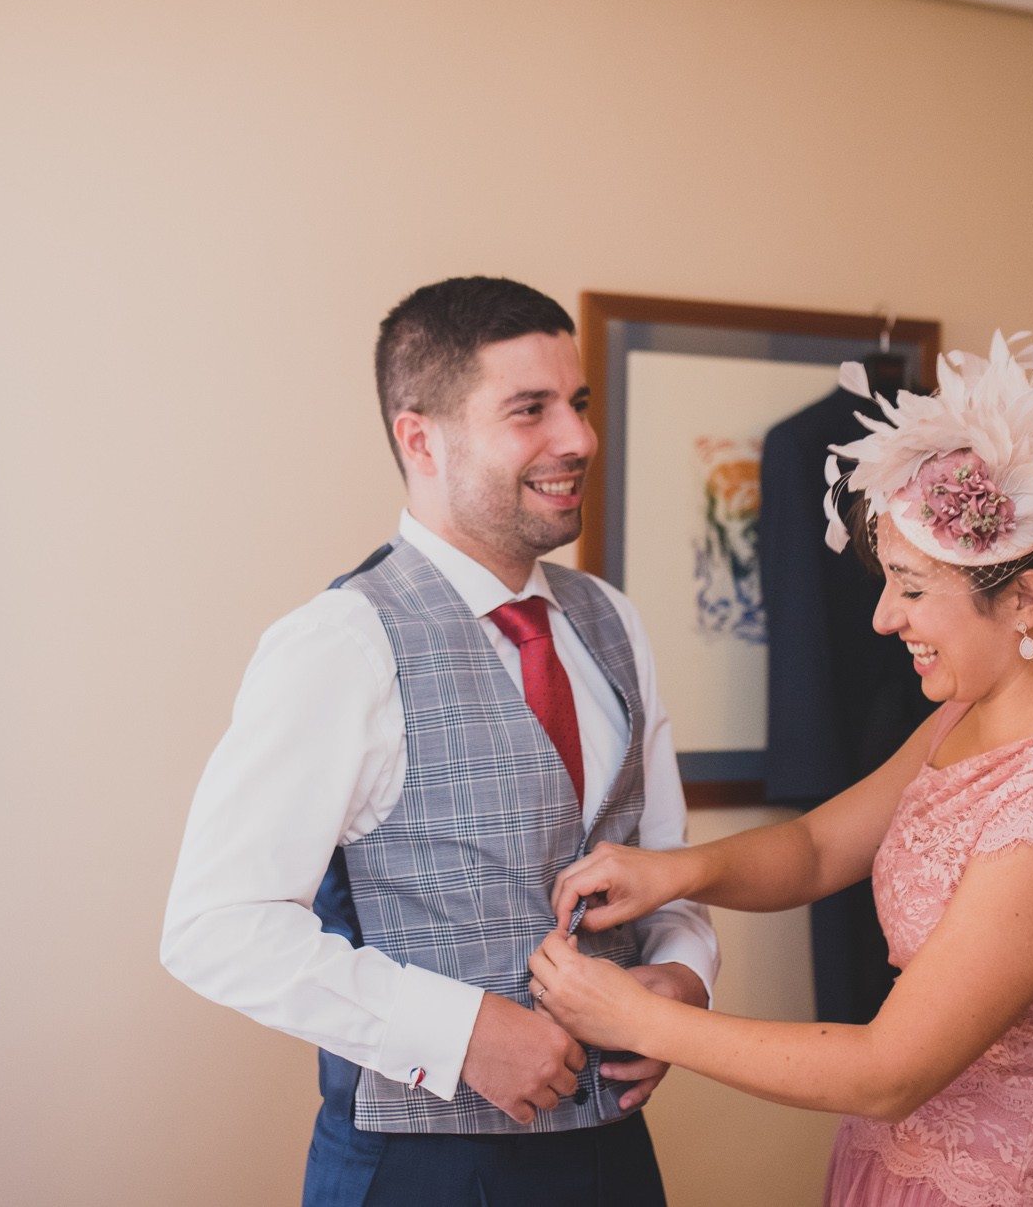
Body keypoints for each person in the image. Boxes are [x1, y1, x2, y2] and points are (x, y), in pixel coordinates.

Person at [526, 332, 1033, 1206]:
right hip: (890, 1172)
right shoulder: (975, 710)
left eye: (911, 587)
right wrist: (674, 871)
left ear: (1023, 598)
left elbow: (888, 1070)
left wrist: (647, 1018)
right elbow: (816, 848)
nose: (881, 618)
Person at [161, 277, 718, 1207]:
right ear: (421, 437)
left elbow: (662, 861)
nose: (578, 438)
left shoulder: (611, 620)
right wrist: (458, 1033)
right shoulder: (341, 642)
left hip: (615, 1158)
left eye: (576, 404)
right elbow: (215, 926)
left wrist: (684, 976)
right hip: (421, 1171)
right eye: (529, 410)